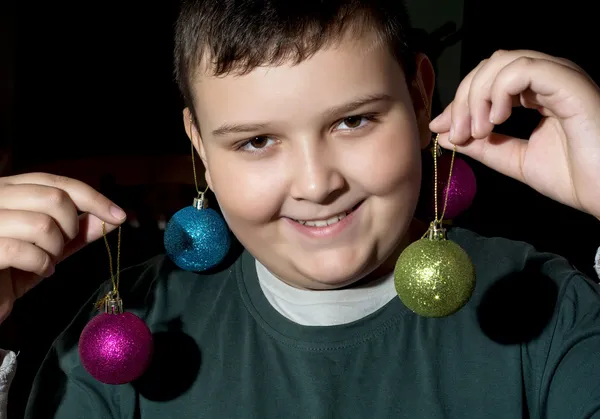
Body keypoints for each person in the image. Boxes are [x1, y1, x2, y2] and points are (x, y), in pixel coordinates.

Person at [0, 0, 599, 417]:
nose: (316, 185)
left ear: (420, 99)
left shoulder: (554, 306)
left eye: (353, 120)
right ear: (201, 147)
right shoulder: (121, 330)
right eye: (256, 141)